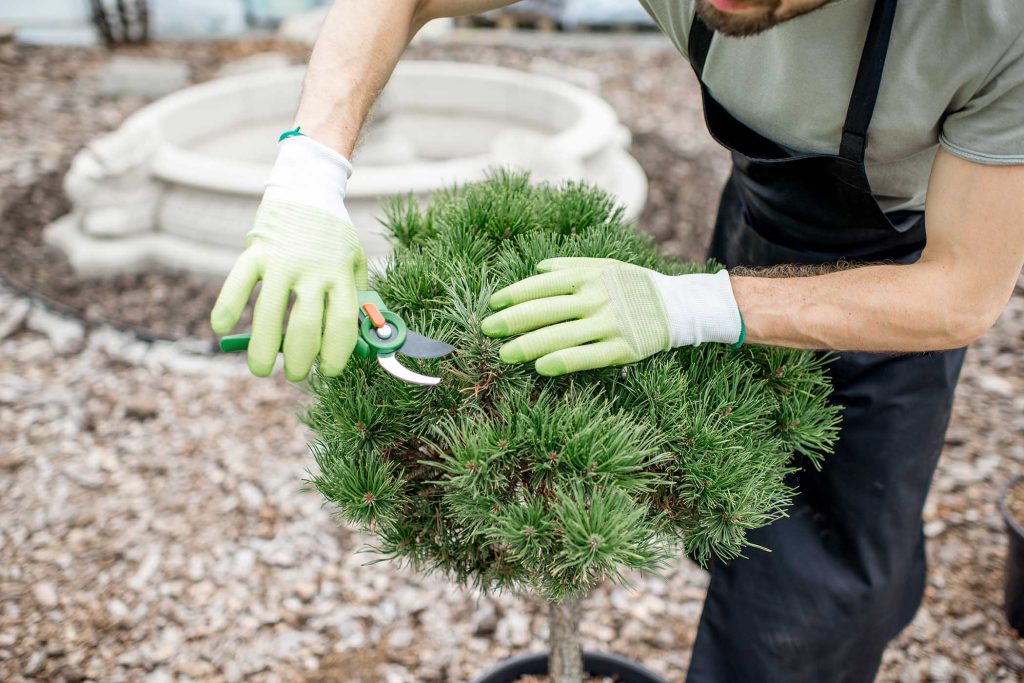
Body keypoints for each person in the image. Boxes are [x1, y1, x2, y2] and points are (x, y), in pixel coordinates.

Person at [210, 1, 1024, 680]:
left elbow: (959, 290)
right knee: (735, 524)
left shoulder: (991, 25)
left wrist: (696, 308)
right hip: (761, 225)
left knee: (823, 599)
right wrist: (310, 170)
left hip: (898, 283)